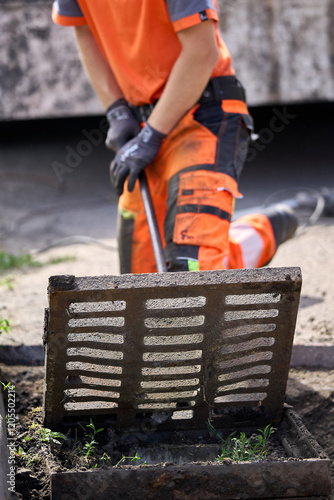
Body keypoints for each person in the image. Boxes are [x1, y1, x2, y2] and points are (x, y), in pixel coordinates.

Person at [52, 1, 300, 274]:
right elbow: (84, 30)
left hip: (205, 114)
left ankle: (254, 237)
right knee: (141, 284)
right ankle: (251, 239)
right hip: (145, 119)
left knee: (189, 271)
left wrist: (152, 136)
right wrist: (117, 111)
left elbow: (202, 52)